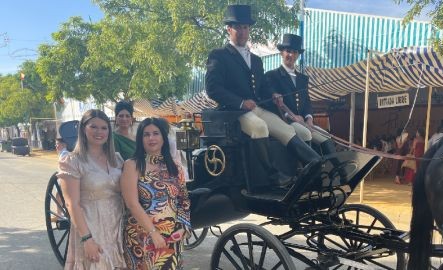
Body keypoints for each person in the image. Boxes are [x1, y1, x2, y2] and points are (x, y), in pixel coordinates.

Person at [205, 4, 320, 187]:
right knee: (259, 128)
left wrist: (273, 94)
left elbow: (262, 88)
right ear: (229, 29)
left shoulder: (256, 60)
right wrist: (241, 103)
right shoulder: (219, 55)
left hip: (258, 108)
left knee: (287, 129)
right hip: (234, 112)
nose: (242, 31)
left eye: (245, 27)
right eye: (238, 27)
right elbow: (213, 89)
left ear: (249, 29)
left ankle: (316, 167)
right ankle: (272, 178)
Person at [57, 109, 126, 269]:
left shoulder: (117, 159)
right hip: (90, 225)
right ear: (83, 129)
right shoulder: (73, 161)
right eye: (93, 127)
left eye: (104, 128)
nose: (99, 132)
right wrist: (87, 239)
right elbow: (72, 204)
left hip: (117, 225)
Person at [121, 117, 190, 270]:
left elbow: (183, 199)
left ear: (163, 138)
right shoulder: (132, 165)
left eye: (155, 133)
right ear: (140, 139)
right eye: (146, 134)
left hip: (172, 237)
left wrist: (183, 227)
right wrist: (153, 233)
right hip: (142, 236)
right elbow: (132, 204)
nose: (151, 138)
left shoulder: (175, 167)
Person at [265, 33, 337, 155]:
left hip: (303, 122)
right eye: (288, 51)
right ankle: (307, 171)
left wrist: (309, 119)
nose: (291, 55)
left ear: (298, 55)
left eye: (294, 52)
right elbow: (273, 104)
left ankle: (339, 171)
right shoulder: (272, 76)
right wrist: (292, 117)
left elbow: (306, 102)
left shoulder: (303, 79)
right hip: (285, 122)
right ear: (282, 53)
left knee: (325, 136)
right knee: (305, 133)